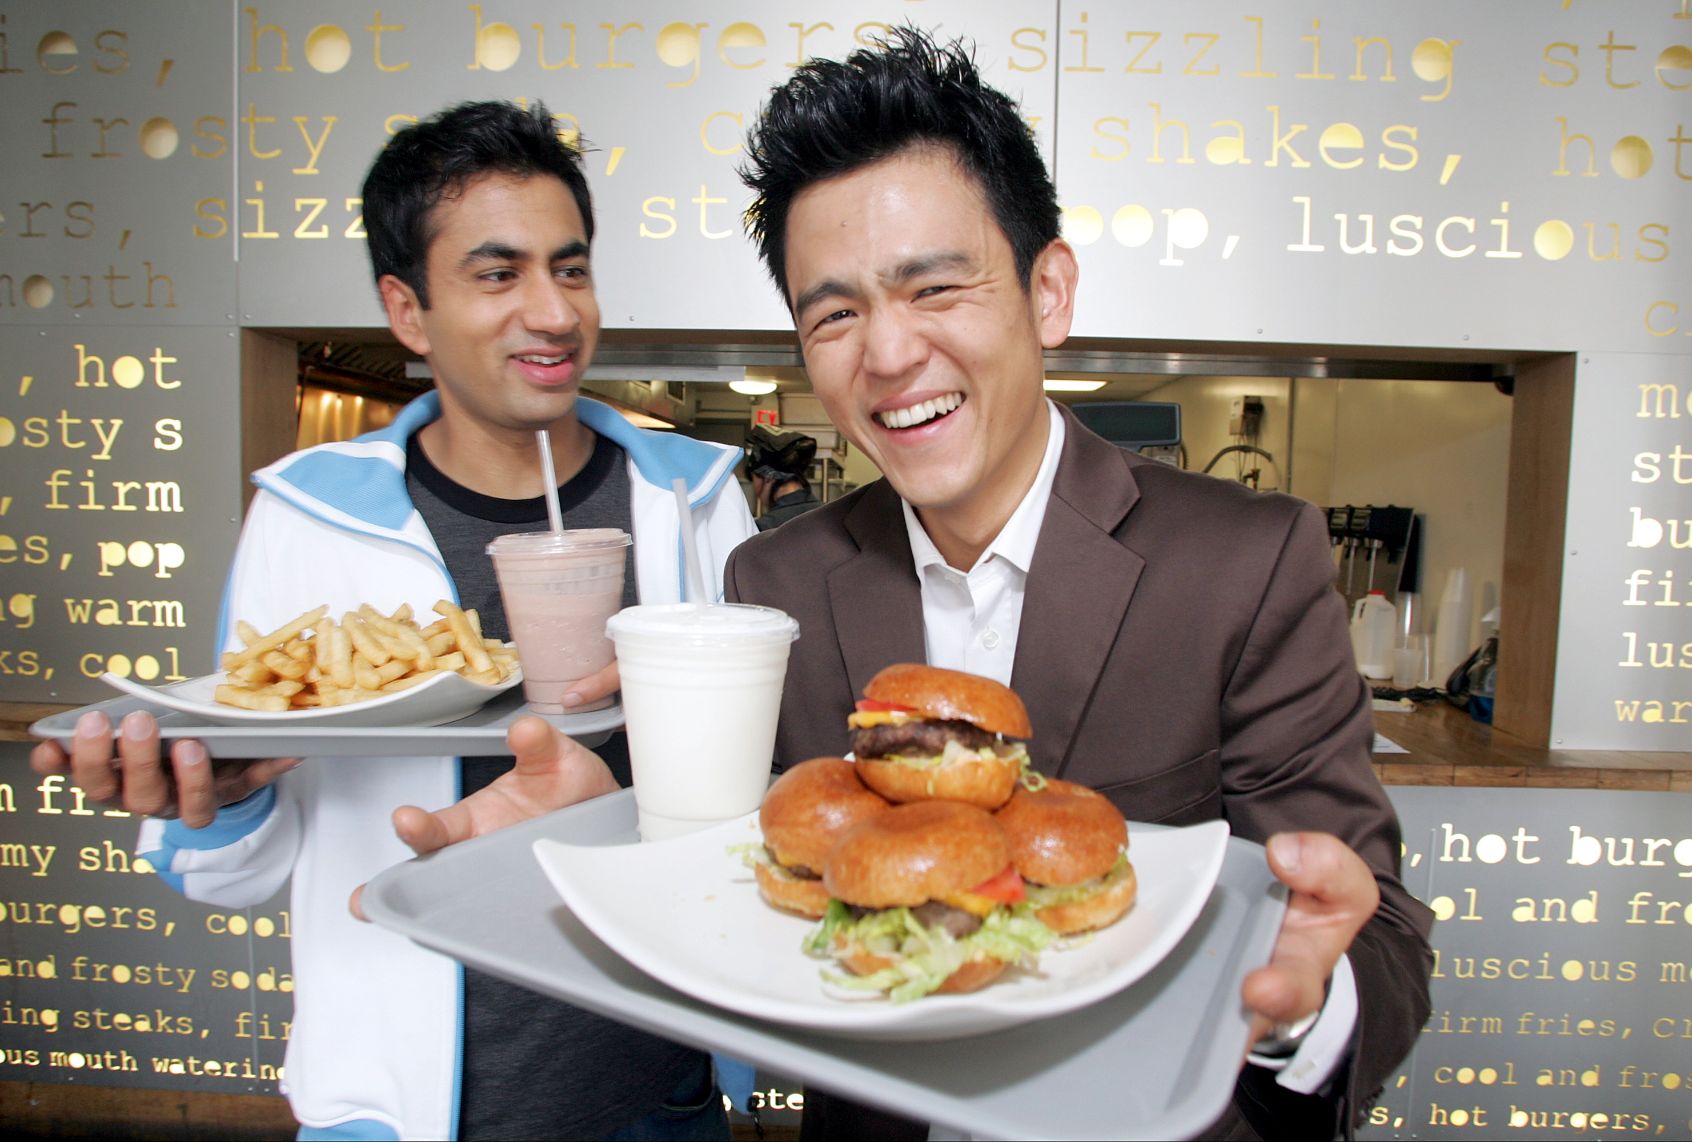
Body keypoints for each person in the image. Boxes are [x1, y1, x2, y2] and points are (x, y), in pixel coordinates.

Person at [722, 29, 1433, 1140]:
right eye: (836, 313)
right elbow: (749, 878)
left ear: (1047, 292)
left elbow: (1375, 928)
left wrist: (1304, 1002)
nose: (890, 352)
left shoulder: (1247, 563)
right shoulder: (774, 581)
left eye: (937, 286)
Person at [31, 101, 754, 1140]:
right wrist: (220, 797)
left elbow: (753, 807)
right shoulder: (308, 514)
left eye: (572, 267)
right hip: (400, 1105)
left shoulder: (695, 501)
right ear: (406, 310)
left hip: (653, 1095)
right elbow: (229, 873)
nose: (552, 312)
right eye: (498, 275)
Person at [745, 425, 821, 529]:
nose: (754, 488)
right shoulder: (830, 515)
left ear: (768, 476)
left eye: (752, 478)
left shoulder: (765, 529)